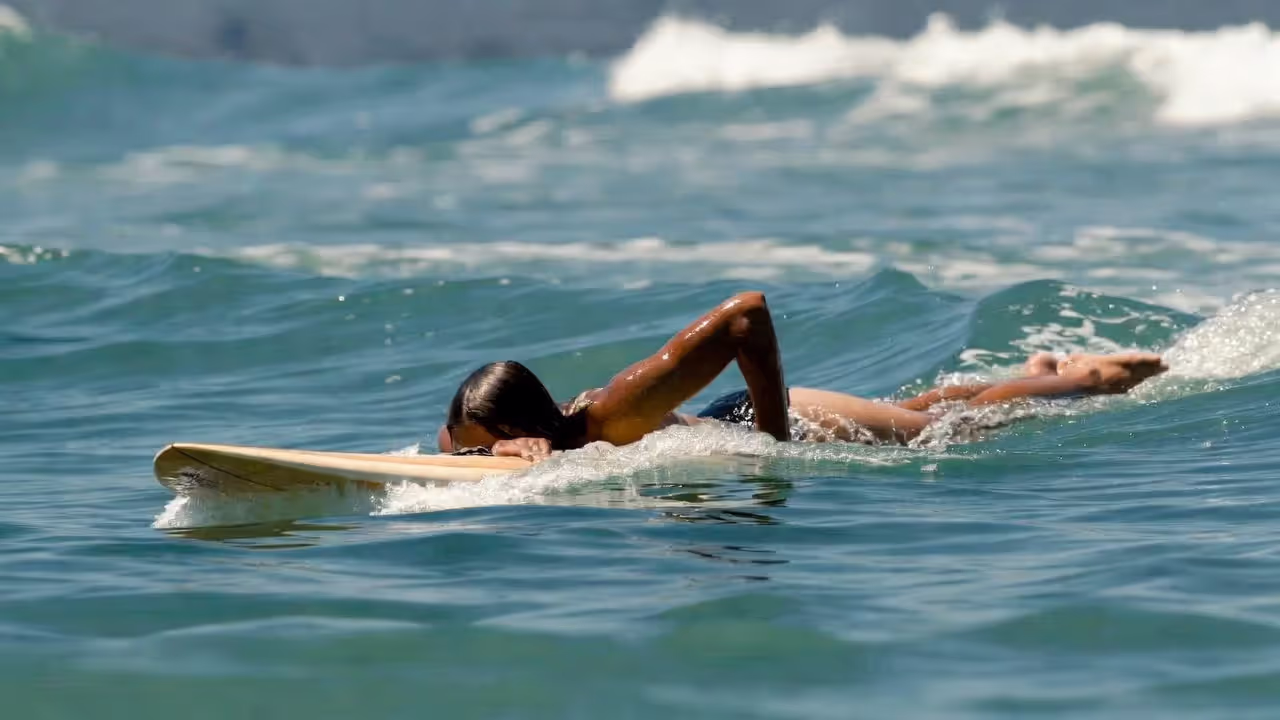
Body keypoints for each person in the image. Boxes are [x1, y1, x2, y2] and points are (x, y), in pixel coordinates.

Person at [438, 292, 1167, 461]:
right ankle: (1034, 367)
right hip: (734, 416)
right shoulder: (550, 431)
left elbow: (744, 317)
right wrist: (482, 448)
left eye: (479, 447)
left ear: (522, 428)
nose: (467, 458)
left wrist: (776, 439)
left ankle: (1084, 377)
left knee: (945, 430)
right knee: (912, 406)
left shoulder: (615, 414)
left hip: (780, 418)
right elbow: (457, 439)